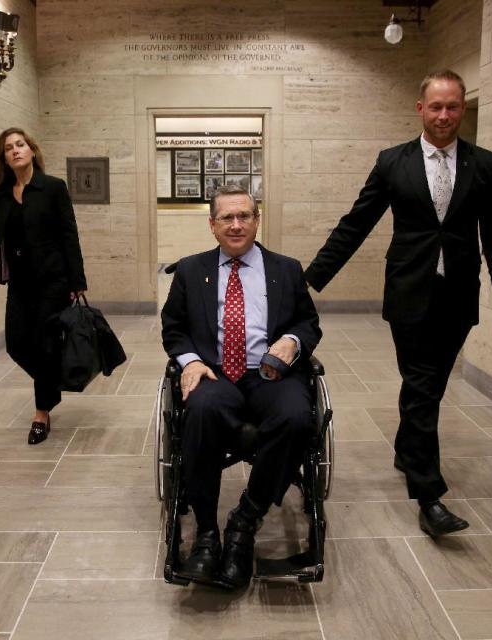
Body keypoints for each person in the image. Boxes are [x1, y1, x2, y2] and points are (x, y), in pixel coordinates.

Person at [305, 69, 492, 537]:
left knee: (430, 386)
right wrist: (308, 281)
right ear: (420, 108)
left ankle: (408, 449)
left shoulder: (484, 165)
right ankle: (430, 496)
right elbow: (355, 224)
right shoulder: (392, 163)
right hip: (408, 291)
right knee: (422, 386)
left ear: (462, 109)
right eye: (436, 106)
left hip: (458, 295)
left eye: (453, 106)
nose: (444, 115)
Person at [161, 185, 322, 589]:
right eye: (227, 218)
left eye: (244, 216)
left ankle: (245, 519)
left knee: (297, 417)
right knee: (200, 410)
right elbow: (174, 328)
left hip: (269, 373)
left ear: (257, 220)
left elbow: (308, 323)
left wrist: (293, 342)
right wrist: (191, 361)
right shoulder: (190, 269)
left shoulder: (286, 268)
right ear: (212, 225)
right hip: (214, 371)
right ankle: (207, 533)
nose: (236, 225)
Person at [0, 128, 86, 445]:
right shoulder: (1, 194)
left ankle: (41, 413)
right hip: (20, 283)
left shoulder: (53, 187)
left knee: (43, 343)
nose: (15, 150)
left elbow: (69, 234)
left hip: (53, 282)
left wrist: (77, 281)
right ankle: (51, 381)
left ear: (31, 150)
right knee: (15, 343)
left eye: (20, 145)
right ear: (3, 159)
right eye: (8, 148)